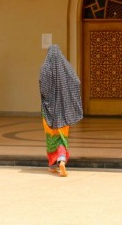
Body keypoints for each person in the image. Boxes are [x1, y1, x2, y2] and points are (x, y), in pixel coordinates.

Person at [39, 44, 83, 177]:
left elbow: (43, 88)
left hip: (49, 110)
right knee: (62, 137)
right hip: (64, 110)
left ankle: (52, 165)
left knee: (51, 137)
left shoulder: (45, 68)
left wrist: (47, 101)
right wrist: (68, 98)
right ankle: (62, 159)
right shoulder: (66, 67)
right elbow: (76, 82)